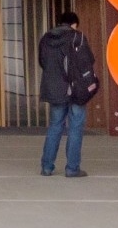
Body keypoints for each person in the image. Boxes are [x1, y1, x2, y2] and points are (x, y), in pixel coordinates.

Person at [38, 10, 96, 178]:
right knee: (75, 127)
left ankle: (47, 167)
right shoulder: (77, 37)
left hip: (55, 89)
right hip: (75, 89)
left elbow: (43, 62)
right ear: (74, 24)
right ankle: (72, 168)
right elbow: (87, 62)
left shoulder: (46, 38)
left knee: (55, 126)